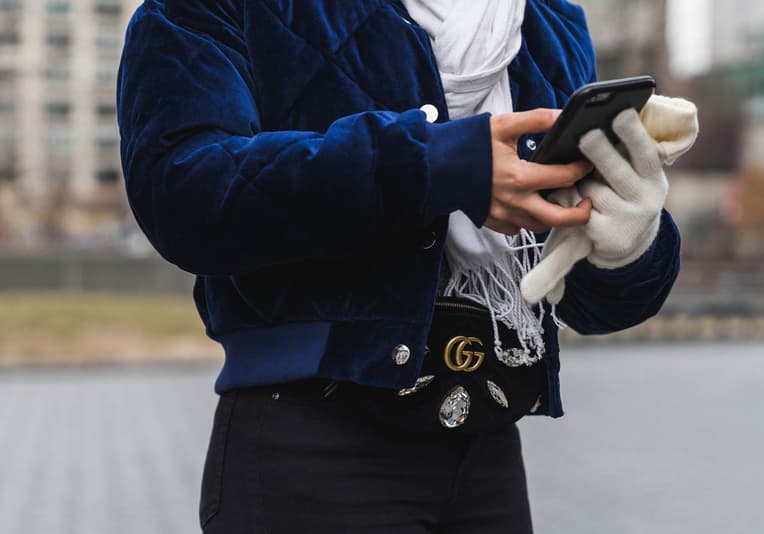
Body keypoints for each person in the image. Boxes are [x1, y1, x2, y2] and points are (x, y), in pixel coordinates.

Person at [117, 1, 681, 532]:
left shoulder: (547, 18)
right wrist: (436, 163)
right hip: (311, 443)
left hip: (489, 447)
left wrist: (629, 243)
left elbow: (587, 302)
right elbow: (182, 192)